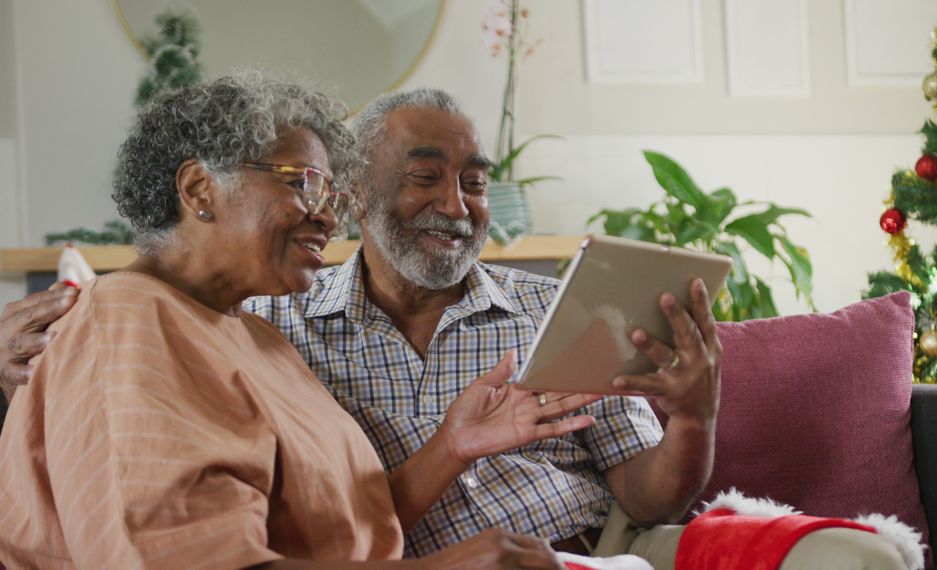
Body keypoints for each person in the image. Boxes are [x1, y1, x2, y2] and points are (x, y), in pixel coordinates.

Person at [0, 87, 908, 569]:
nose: (458, 202)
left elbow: (646, 498)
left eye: (474, 179)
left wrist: (696, 411)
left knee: (852, 562)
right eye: (425, 175)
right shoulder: (251, 321)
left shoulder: (555, 304)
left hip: (609, 548)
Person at [0, 75, 600, 569]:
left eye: (334, 197)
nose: (329, 221)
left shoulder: (253, 334)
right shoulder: (126, 325)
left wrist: (453, 445)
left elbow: (334, 531)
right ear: (198, 188)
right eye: (305, 184)